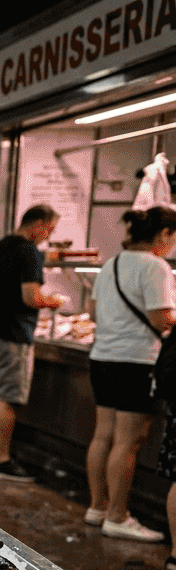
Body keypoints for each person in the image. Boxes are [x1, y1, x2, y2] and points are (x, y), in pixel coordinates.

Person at [84, 207, 176, 542]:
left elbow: (93, 311)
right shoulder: (156, 266)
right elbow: (161, 319)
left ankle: (97, 507)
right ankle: (118, 516)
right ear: (163, 234)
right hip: (136, 361)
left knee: (103, 435)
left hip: (102, 358)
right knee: (128, 441)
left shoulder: (111, 264)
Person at [0, 204, 64, 482]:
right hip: (12, 334)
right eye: (49, 229)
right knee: (7, 398)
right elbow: (31, 297)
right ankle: (1, 460)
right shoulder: (28, 252)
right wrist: (53, 301)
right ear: (38, 224)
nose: (48, 235)